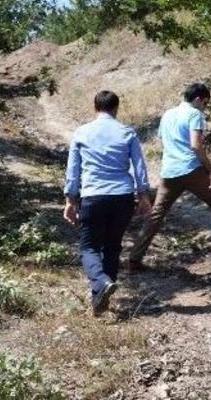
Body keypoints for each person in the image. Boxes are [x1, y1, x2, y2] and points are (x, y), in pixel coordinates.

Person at [127, 83, 211, 271]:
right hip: (191, 169)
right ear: (197, 99)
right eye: (205, 102)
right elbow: (196, 145)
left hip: (169, 172)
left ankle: (134, 259)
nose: (205, 106)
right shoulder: (195, 114)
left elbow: (163, 141)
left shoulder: (168, 114)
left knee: (156, 214)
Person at [63, 90, 152, 316]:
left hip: (93, 196)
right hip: (122, 197)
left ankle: (101, 283)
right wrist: (143, 196)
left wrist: (70, 199)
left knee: (89, 247)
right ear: (116, 108)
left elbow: (73, 170)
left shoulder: (82, 132)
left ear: (95, 108)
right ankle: (100, 300)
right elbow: (139, 167)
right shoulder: (127, 132)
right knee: (112, 246)